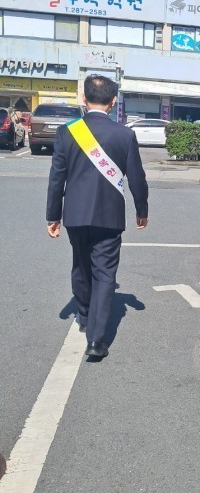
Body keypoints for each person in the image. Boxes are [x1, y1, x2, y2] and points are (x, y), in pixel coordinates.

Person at [46, 75, 149, 359]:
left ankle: (84, 314)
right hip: (109, 215)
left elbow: (57, 178)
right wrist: (142, 210)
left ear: (83, 98)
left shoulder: (67, 132)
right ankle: (96, 340)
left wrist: (53, 215)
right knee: (104, 274)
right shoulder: (124, 135)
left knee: (80, 265)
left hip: (75, 214)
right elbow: (137, 178)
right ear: (113, 101)